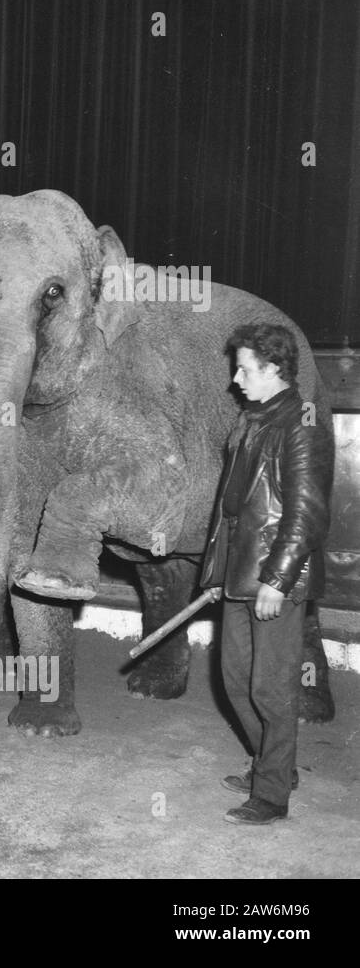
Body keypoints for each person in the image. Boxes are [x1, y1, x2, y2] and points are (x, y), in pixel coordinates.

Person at [199, 323, 333, 825]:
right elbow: (231, 509)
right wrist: (216, 574)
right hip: (239, 571)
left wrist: (277, 580)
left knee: (271, 689)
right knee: (235, 681)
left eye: (246, 368)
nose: (236, 378)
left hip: (276, 577)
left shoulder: (302, 423)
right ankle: (275, 765)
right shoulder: (253, 418)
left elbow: (306, 513)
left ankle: (273, 794)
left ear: (275, 370)